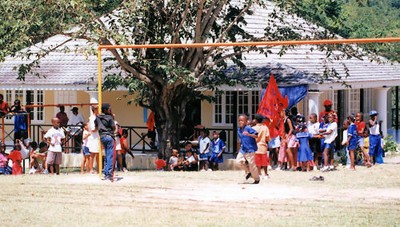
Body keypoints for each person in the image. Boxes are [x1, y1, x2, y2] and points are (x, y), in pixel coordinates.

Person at [237, 114, 260, 184]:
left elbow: (256, 135)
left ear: (246, 122)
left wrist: (249, 134)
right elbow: (240, 140)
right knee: (238, 161)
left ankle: (257, 179)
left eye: (242, 120)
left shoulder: (248, 128)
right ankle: (249, 172)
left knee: (252, 165)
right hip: (243, 149)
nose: (240, 122)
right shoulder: (239, 130)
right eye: (239, 120)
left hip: (250, 149)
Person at [95, 103, 116, 181]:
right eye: (109, 109)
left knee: (107, 155)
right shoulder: (109, 117)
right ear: (106, 110)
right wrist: (112, 117)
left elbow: (96, 126)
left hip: (102, 137)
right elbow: (113, 127)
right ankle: (109, 174)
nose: (110, 110)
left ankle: (105, 172)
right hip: (109, 136)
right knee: (110, 155)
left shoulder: (97, 117)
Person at [252, 114, 270, 179]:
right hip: (263, 146)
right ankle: (266, 174)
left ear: (256, 120)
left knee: (257, 162)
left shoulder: (253, 128)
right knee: (265, 161)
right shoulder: (265, 128)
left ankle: (259, 173)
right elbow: (267, 138)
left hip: (255, 146)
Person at [88, 105, 100, 174]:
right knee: (92, 154)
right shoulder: (92, 118)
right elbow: (93, 129)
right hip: (94, 138)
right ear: (94, 110)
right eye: (97, 109)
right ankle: (91, 169)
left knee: (98, 154)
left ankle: (99, 169)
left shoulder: (97, 117)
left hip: (97, 138)